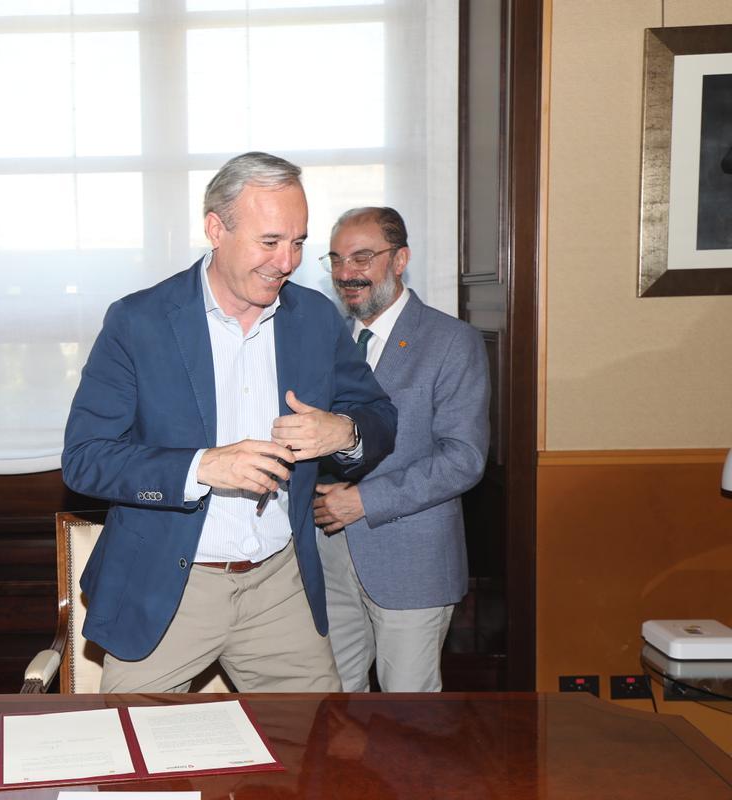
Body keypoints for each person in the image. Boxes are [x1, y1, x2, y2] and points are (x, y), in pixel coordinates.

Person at [62, 152, 397, 693]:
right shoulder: (138, 322)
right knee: (135, 761)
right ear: (216, 229)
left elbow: (380, 416)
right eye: (269, 242)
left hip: (279, 586)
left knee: (313, 762)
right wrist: (203, 466)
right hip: (170, 587)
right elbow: (85, 459)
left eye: (298, 242)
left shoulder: (314, 319)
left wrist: (345, 433)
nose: (286, 262)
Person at [314, 206, 489, 693]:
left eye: (363, 257)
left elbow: (464, 457)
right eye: (337, 259)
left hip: (412, 562)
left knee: (408, 727)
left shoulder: (452, 341)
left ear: (400, 259)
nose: (347, 273)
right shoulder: (328, 340)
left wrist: (364, 501)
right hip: (330, 556)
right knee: (336, 714)